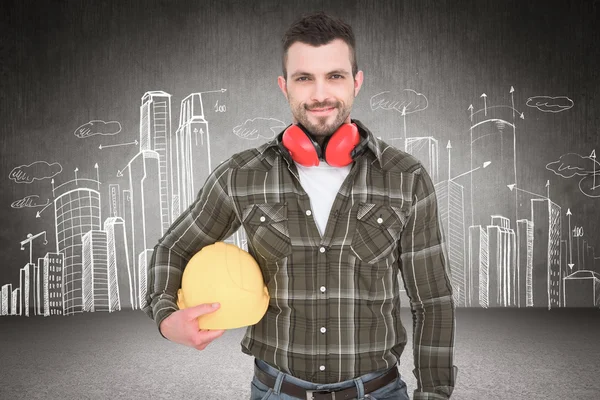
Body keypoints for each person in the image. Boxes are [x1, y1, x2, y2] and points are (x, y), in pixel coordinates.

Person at [142, 11, 458, 400]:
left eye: (335, 76)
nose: (320, 93)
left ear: (356, 82)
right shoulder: (241, 174)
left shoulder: (406, 178)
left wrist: (434, 395)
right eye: (304, 78)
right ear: (284, 85)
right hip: (276, 391)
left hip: (379, 391)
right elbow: (173, 248)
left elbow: (433, 302)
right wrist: (165, 317)